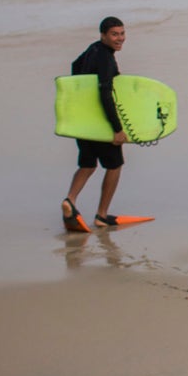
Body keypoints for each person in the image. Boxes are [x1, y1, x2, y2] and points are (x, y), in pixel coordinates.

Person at [62, 17, 129, 232]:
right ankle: (101, 215)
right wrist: (117, 129)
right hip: (100, 124)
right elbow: (105, 94)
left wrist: (82, 98)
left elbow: (74, 67)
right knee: (114, 165)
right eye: (114, 34)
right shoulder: (106, 60)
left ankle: (70, 201)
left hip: (83, 122)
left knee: (88, 163)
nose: (120, 38)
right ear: (103, 35)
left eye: (122, 33)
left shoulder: (93, 49)